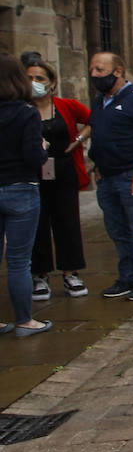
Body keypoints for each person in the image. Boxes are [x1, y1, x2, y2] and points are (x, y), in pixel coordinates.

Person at [87, 51, 133, 302]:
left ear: (117, 71)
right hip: (108, 177)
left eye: (99, 70)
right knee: (117, 229)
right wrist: (97, 164)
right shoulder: (99, 101)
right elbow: (99, 133)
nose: (94, 75)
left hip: (132, 174)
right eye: (92, 70)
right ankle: (128, 276)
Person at [25, 57, 92, 300]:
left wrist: (79, 140)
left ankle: (70, 272)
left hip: (63, 170)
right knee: (37, 223)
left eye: (39, 78)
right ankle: (39, 275)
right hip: (33, 173)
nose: (34, 83)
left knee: (68, 222)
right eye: (29, 78)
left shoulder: (66, 105)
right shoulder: (22, 108)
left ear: (51, 82)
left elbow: (91, 120)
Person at [0, 53, 51, 338]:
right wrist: (42, 147)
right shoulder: (25, 112)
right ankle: (24, 321)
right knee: (19, 260)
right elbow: (34, 157)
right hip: (21, 189)